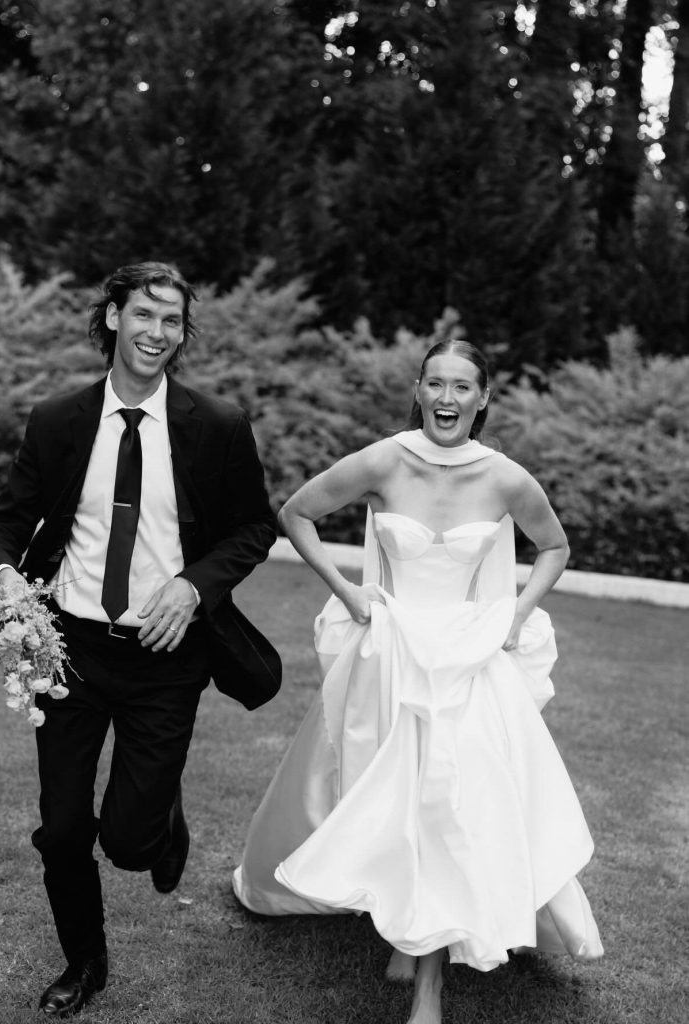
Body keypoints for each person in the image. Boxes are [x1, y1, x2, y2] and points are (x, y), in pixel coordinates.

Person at [233, 339, 603, 1024]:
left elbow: (554, 546)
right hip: (393, 653)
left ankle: (427, 989)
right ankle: (404, 929)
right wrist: (348, 593)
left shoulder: (505, 478)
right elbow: (295, 513)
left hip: (467, 659)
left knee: (445, 801)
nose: (446, 398)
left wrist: (517, 611)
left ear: (483, 397)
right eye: (434, 384)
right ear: (417, 388)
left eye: (462, 387)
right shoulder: (384, 459)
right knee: (396, 798)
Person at [0, 261, 281, 1017]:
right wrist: (6, 574)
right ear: (112, 317)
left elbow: (254, 527)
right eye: (142, 315)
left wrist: (194, 584)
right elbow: (5, 522)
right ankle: (85, 964)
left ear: (183, 334)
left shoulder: (214, 426)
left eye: (171, 321)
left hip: (164, 657)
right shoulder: (58, 419)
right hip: (69, 652)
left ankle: (158, 820)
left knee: (128, 843)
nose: (155, 333)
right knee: (62, 829)